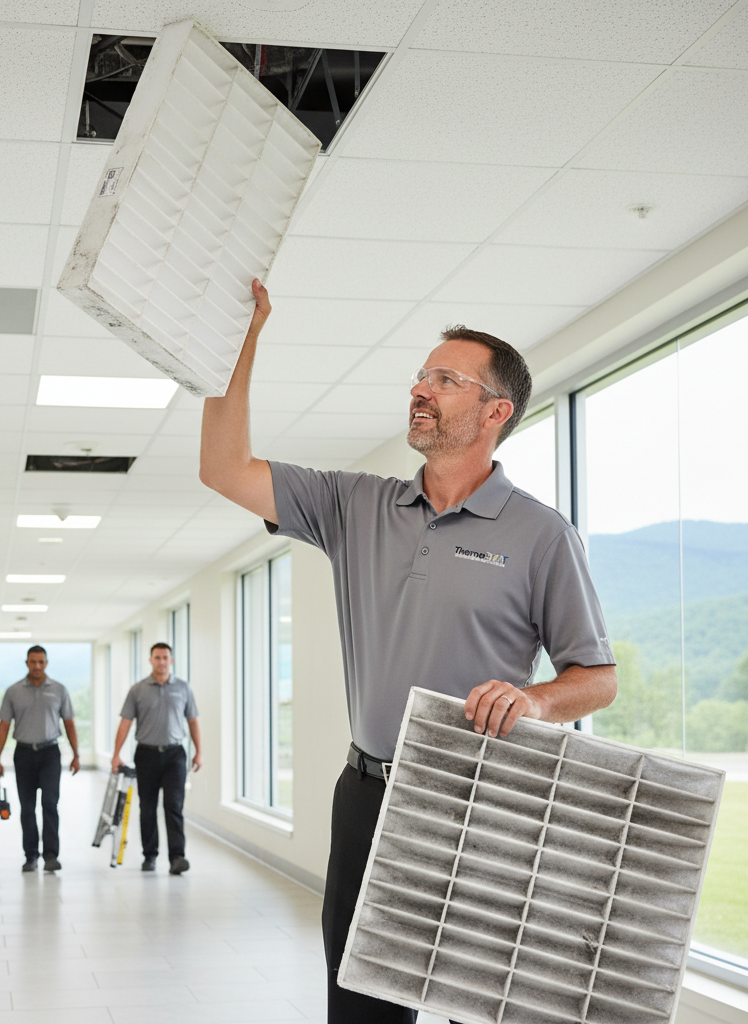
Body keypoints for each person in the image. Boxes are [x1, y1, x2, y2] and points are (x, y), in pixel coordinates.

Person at [199, 279, 618, 1024]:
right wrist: (233, 343)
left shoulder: (541, 534)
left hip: (481, 801)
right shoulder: (354, 505)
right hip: (367, 795)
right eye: (422, 375)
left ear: (496, 412)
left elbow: (597, 679)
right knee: (362, 1008)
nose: (421, 389)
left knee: (481, 1008)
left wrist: (535, 699)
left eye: (445, 379)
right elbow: (224, 469)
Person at [111, 642, 202, 875]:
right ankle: (149, 855)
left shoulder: (183, 688)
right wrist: (116, 754)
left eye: (165, 657)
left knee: (173, 805)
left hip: (175, 755)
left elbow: (193, 721)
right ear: (150, 660)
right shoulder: (138, 690)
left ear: (171, 660)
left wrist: (199, 751)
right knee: (148, 807)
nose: (161, 661)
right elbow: (125, 723)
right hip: (146, 754)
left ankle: (177, 857)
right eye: (157, 657)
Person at [0, 645, 81, 872]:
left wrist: (76, 755)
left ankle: (51, 855)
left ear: (46, 663)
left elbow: (69, 723)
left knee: (50, 804)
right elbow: (4, 726)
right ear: (26, 663)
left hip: (50, 753)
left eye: (41, 662)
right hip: (23, 754)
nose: (37, 666)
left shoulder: (59, 690)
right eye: (33, 662)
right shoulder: (13, 692)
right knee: (27, 807)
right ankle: (31, 855)